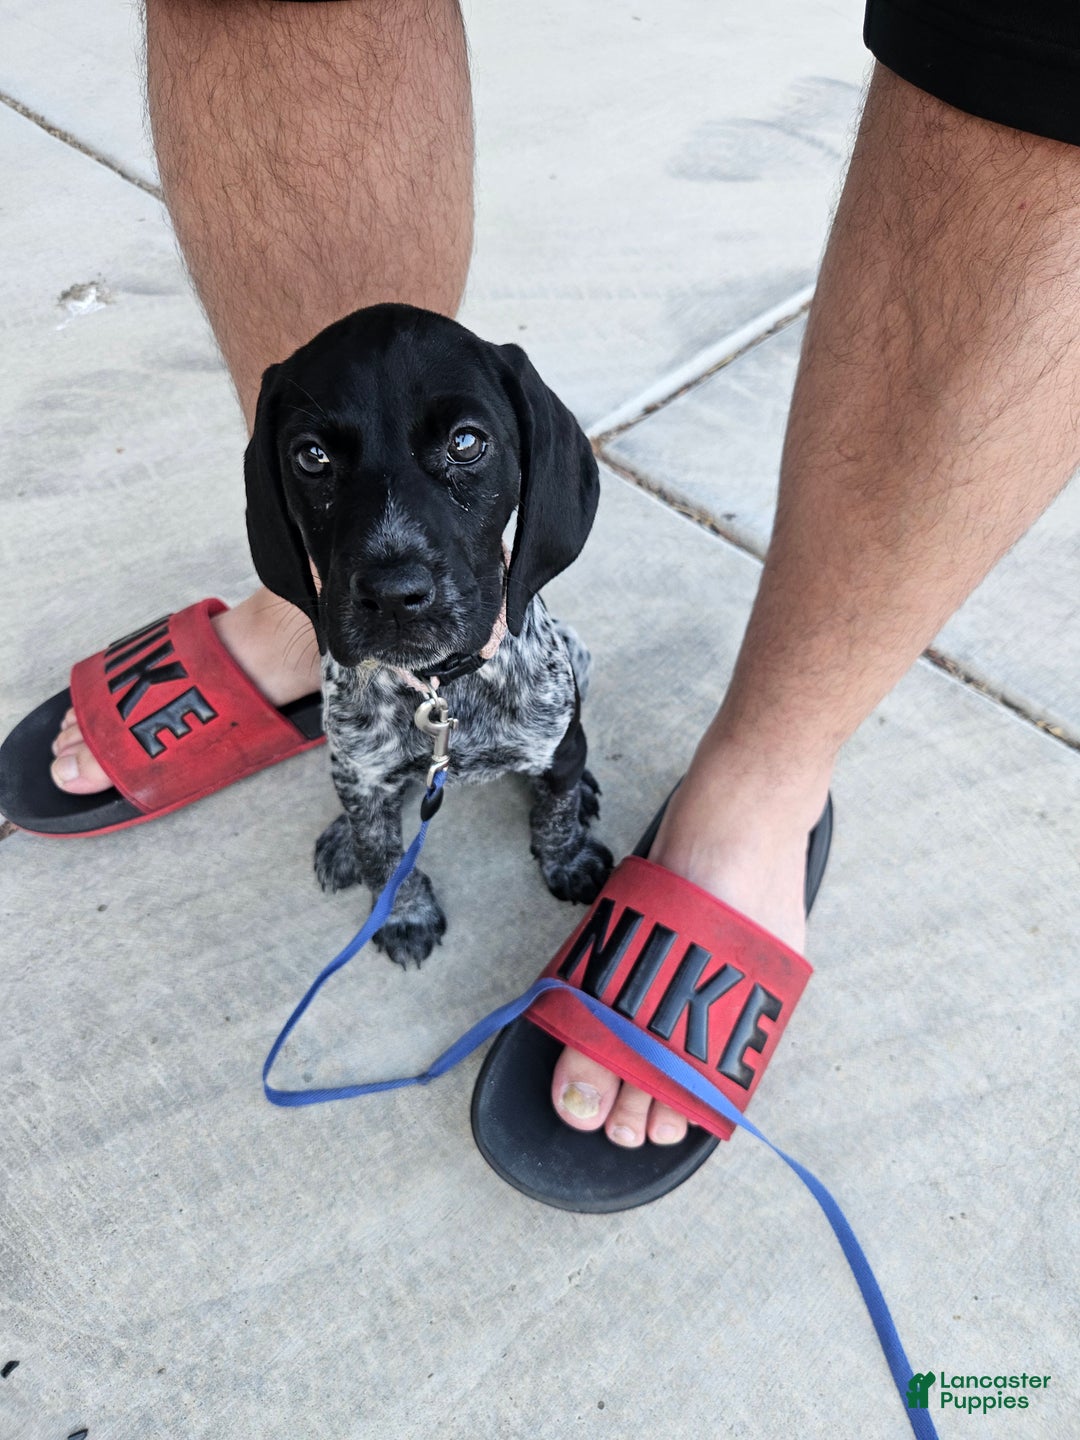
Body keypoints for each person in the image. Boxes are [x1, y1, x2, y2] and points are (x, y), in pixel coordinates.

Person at [36, 2, 1080, 1153]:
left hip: (518, 673)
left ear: (538, 470)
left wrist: (519, 643)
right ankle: (302, 624)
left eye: (468, 448)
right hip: (364, 666)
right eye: (317, 458)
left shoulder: (541, 630)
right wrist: (320, 583)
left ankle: (769, 773)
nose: (401, 559)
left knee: (1036, 48)